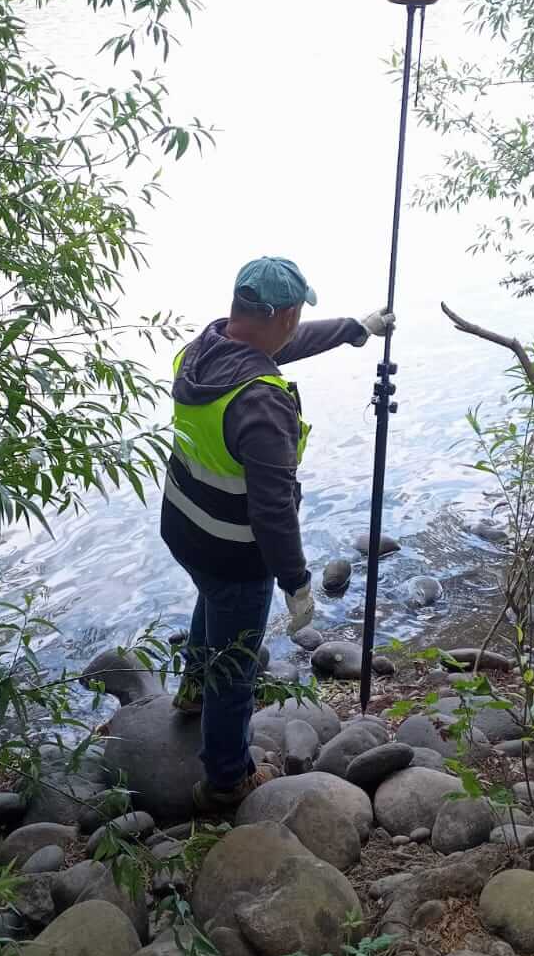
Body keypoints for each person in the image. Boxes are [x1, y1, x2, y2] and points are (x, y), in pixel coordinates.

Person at [161, 255, 393, 812]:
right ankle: (225, 779)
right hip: (235, 552)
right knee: (237, 666)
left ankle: (191, 692)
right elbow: (272, 512)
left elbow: (279, 345)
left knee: (209, 600)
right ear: (284, 314)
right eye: (295, 316)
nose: (294, 327)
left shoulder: (203, 349)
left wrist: (355, 329)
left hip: (185, 529)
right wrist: (296, 582)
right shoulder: (262, 403)